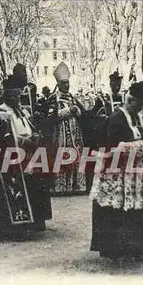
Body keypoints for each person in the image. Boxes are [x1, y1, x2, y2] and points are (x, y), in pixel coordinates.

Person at [89, 81, 143, 261]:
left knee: (141, 207)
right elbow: (111, 147)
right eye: (140, 104)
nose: (142, 107)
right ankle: (116, 248)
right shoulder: (117, 118)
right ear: (131, 101)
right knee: (118, 208)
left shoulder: (140, 118)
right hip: (117, 174)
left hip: (137, 173)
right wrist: (138, 147)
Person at [0, 72, 52, 238]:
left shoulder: (22, 111)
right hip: (9, 160)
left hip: (27, 156)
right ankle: (10, 225)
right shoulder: (0, 114)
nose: (17, 96)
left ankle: (34, 221)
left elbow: (29, 129)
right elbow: (5, 140)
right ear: (6, 94)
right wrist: (26, 141)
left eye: (19, 93)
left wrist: (34, 137)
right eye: (13, 93)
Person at [40, 62, 87, 195]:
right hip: (60, 135)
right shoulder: (53, 98)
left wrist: (78, 112)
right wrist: (68, 111)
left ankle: (75, 186)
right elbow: (49, 118)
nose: (66, 85)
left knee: (76, 157)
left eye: (67, 83)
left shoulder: (73, 98)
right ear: (58, 84)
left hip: (75, 134)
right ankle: (61, 187)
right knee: (62, 158)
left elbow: (82, 113)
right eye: (63, 83)